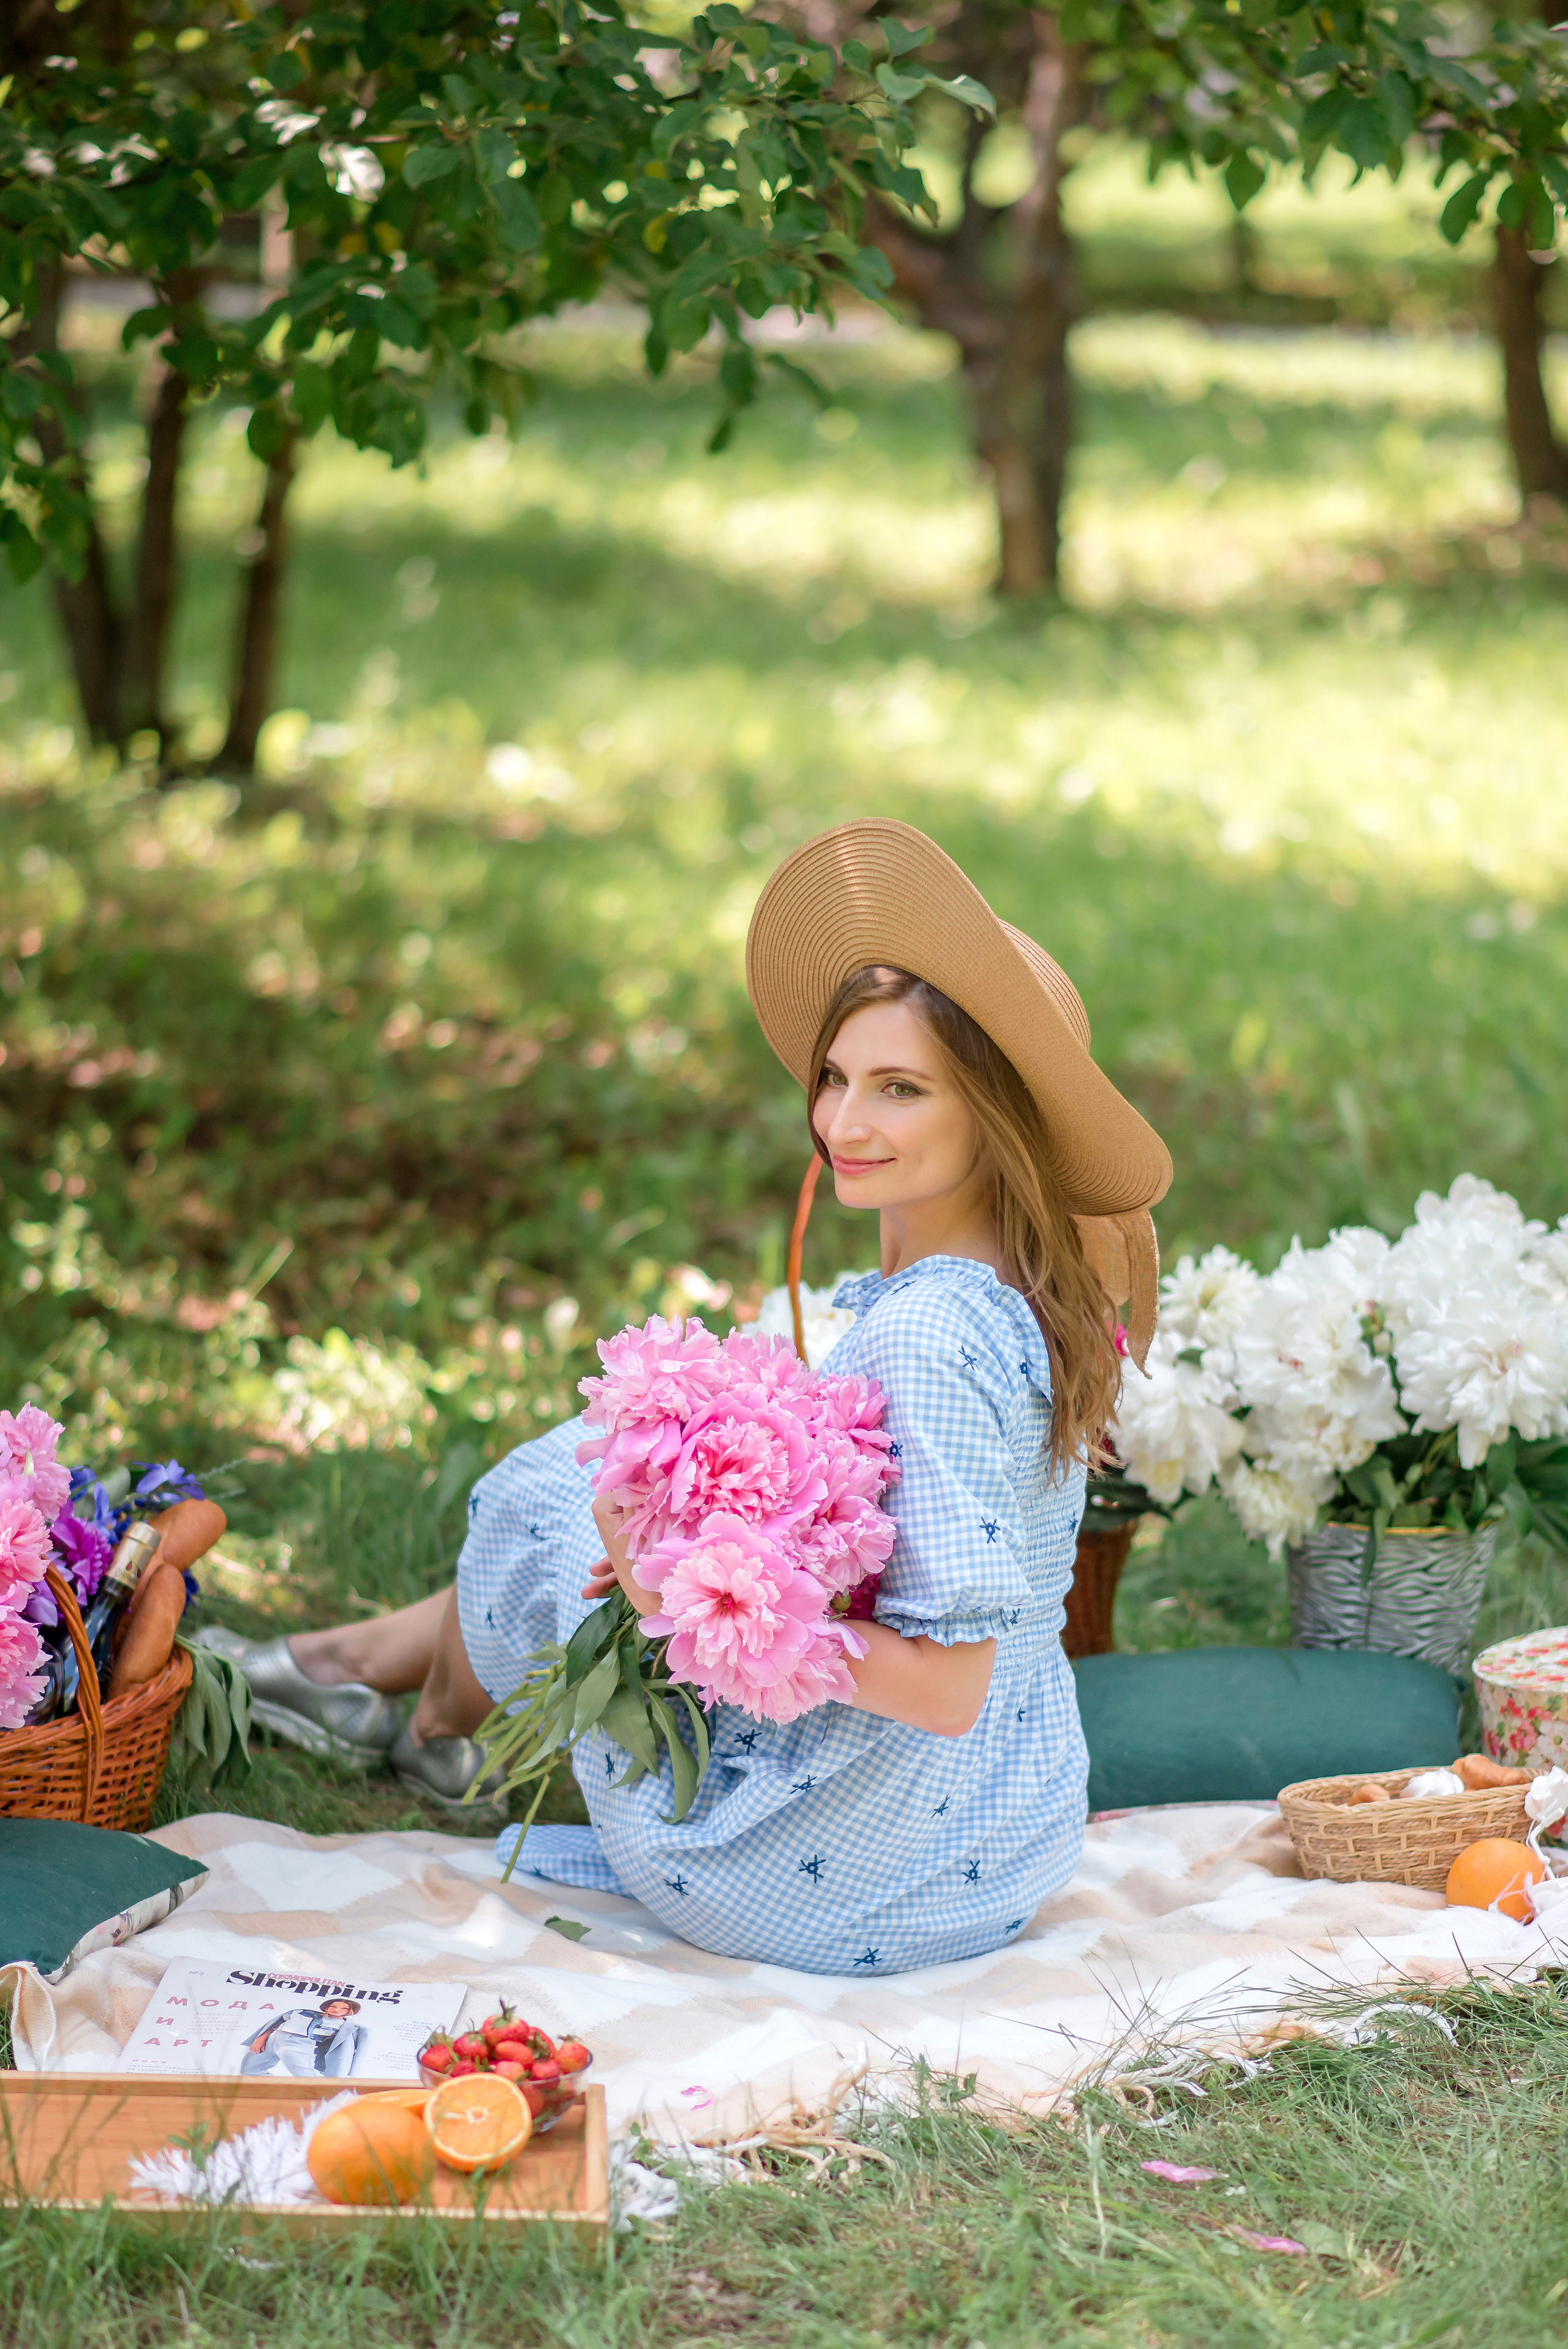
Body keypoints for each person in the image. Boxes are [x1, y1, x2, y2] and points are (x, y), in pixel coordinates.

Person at [200, 820, 1170, 1974]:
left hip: (843, 1872)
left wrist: (677, 1589)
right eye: (836, 1078)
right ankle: (372, 1682)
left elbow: (950, 1688)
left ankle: (407, 1708)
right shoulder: (1022, 1293)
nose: (843, 1124)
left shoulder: (927, 1336)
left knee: (556, 1487)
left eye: (901, 1090)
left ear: (993, 1117)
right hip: (999, 1845)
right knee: (643, 1473)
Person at [239, 1994, 366, 2078]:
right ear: (327, 2007)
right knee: (250, 2070)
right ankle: (273, 2090)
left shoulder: (347, 2026)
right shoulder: (301, 2012)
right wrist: (260, 2039)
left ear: (350, 2011)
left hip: (299, 2043)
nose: (337, 2010)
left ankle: (323, 2095)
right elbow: (276, 2024)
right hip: (272, 2039)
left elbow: (355, 2049)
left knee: (305, 2075)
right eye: (333, 2006)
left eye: (344, 2008)